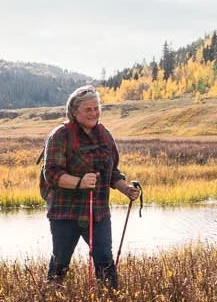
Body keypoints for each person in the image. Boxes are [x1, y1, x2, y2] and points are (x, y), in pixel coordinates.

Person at [40, 85, 141, 287]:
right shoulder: (60, 135)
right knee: (60, 263)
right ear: (74, 111)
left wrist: (126, 189)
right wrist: (79, 182)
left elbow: (112, 172)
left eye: (96, 108)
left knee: (105, 261)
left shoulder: (105, 135)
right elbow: (51, 173)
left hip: (98, 213)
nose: (94, 113)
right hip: (65, 213)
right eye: (88, 109)